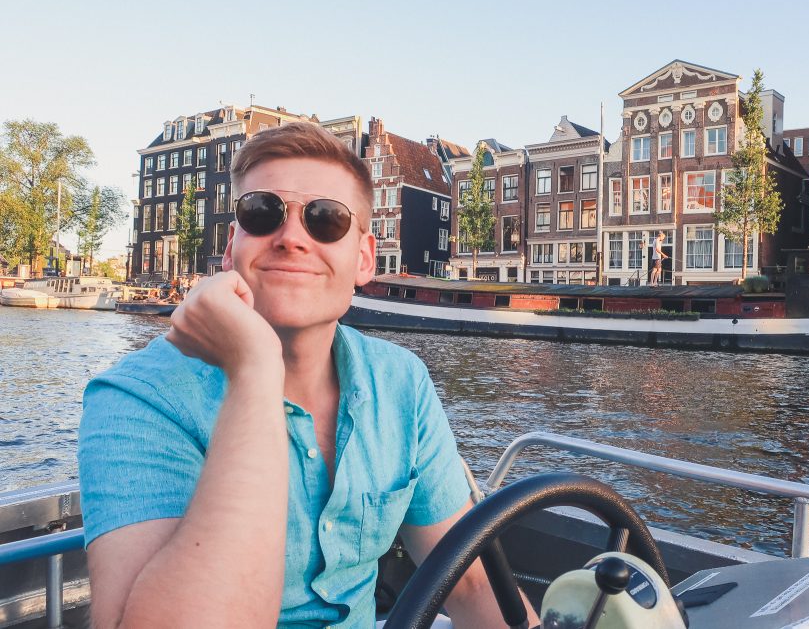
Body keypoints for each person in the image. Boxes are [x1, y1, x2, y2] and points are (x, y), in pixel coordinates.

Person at [78, 122, 537, 628]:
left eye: (326, 219)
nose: (292, 237)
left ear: (364, 257)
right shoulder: (139, 397)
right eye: (262, 213)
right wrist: (254, 372)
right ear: (232, 246)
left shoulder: (400, 382)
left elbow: (467, 581)